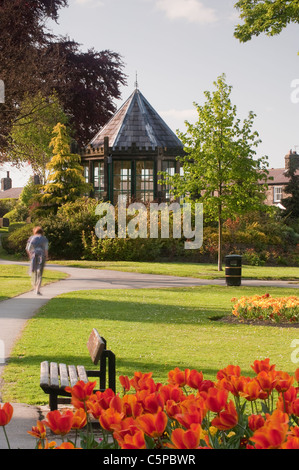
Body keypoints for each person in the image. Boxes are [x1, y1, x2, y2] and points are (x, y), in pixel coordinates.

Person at [26, 226, 49, 295]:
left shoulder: (32, 238)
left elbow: (28, 248)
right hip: (41, 256)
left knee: (34, 272)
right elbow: (46, 249)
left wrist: (30, 255)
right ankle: (37, 289)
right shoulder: (44, 239)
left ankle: (34, 286)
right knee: (40, 273)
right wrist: (46, 257)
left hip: (34, 256)